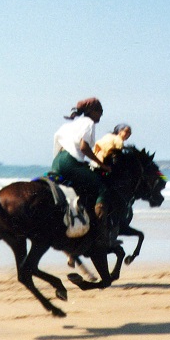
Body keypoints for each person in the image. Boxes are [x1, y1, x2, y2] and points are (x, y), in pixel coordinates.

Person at [51, 97, 114, 248]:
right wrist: (102, 165)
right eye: (100, 112)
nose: (101, 116)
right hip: (69, 162)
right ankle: (100, 233)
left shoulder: (71, 124)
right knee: (102, 189)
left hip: (58, 161)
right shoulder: (89, 123)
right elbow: (84, 147)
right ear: (92, 112)